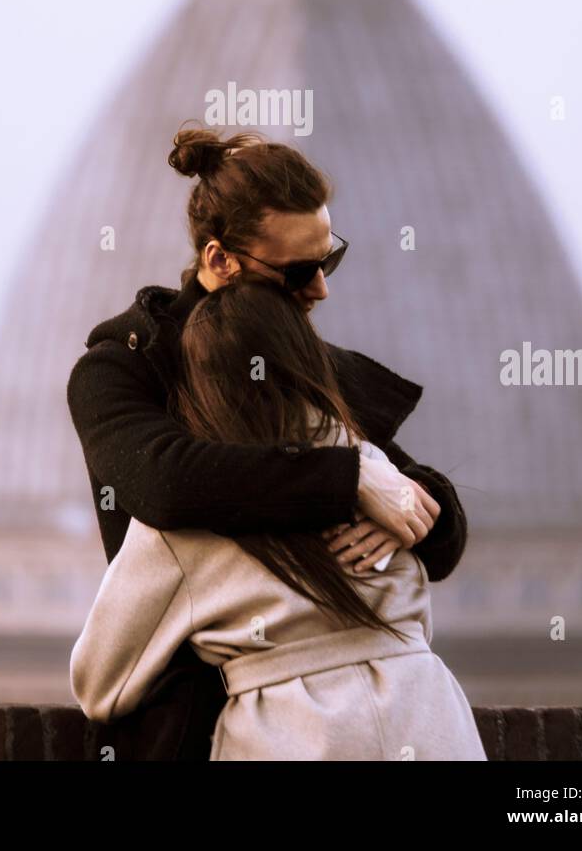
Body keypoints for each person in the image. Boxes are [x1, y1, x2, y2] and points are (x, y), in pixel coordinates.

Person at [66, 124, 470, 760]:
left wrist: (406, 509)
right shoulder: (121, 366)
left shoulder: (307, 362)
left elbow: (432, 518)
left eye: (329, 258)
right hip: (200, 713)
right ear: (220, 260)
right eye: (300, 271)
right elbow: (164, 481)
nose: (321, 289)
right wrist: (351, 483)